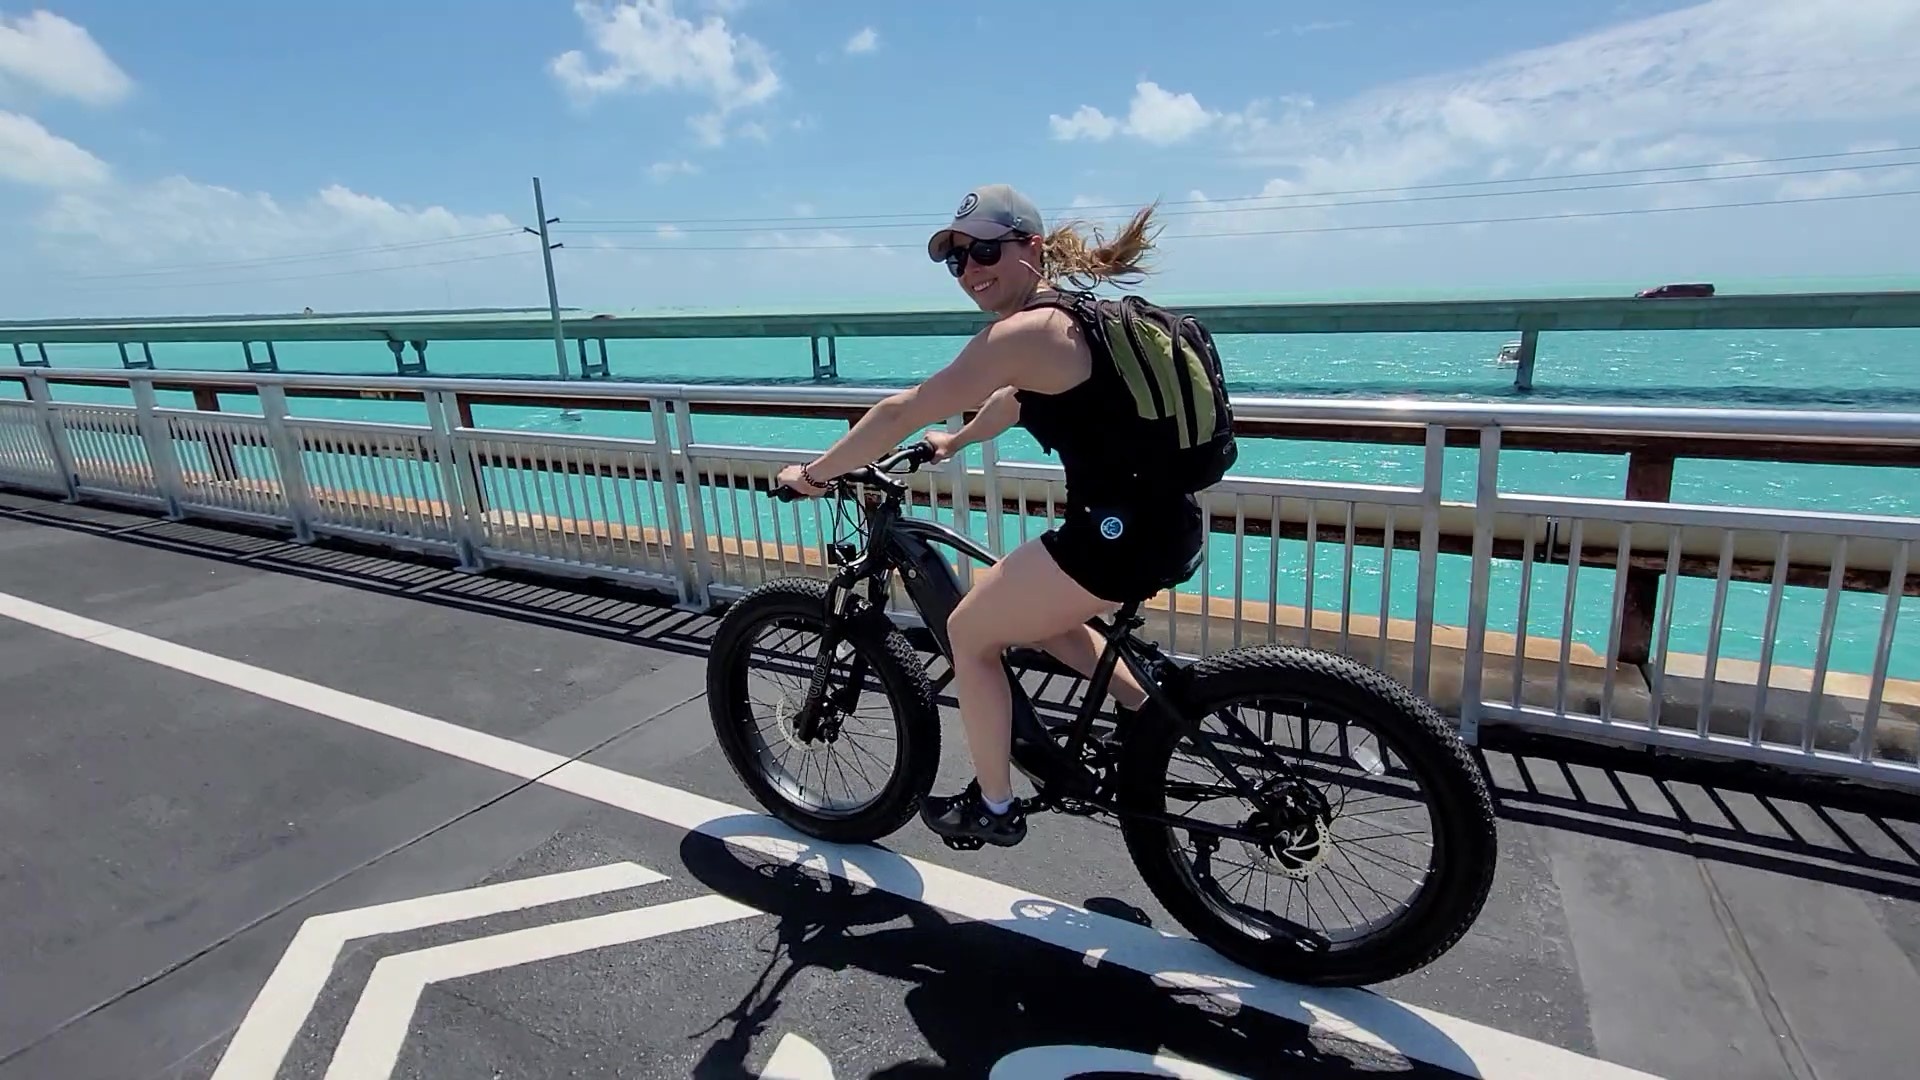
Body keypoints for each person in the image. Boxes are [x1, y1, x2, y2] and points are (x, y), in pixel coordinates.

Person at [773, 184, 1207, 848]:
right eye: (957, 260)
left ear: (1031, 246)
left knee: (971, 630)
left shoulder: (1024, 331)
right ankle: (1145, 709)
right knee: (1032, 606)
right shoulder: (1073, 315)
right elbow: (1014, 401)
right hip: (1162, 522)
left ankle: (995, 806)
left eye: (984, 250)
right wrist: (955, 442)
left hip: (1117, 538)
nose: (972, 270)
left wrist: (813, 474)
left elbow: (901, 411)